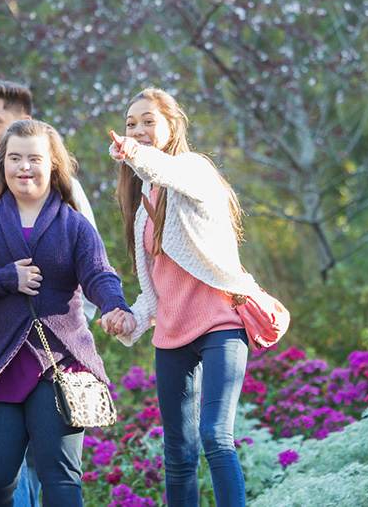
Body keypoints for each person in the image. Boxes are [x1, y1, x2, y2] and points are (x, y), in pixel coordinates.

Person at [0, 119, 135, 507]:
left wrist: (116, 306)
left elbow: (99, 273)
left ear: (53, 165)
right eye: (14, 158)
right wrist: (5, 279)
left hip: (61, 365)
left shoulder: (75, 226)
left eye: (33, 158)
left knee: (62, 482)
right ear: (2, 166)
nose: (23, 167)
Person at [108, 87, 260, 507]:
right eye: (130, 124)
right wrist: (130, 319)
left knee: (215, 434)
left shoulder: (193, 171)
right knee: (178, 453)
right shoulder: (142, 206)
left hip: (220, 325)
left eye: (148, 121)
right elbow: (155, 290)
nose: (138, 130)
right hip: (172, 335)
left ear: (173, 125)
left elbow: (166, 171)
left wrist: (135, 154)